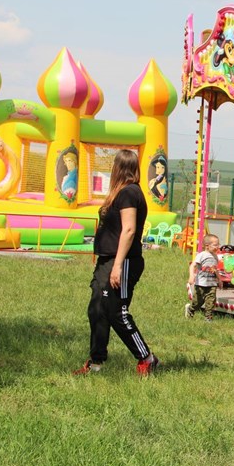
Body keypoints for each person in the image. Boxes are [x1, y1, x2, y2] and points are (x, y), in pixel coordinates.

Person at [74, 149, 158, 376]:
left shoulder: (129, 192)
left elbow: (129, 230)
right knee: (97, 310)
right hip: (107, 260)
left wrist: (118, 265)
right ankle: (96, 363)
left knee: (116, 312)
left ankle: (147, 358)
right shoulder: (120, 193)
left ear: (118, 168)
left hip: (124, 261)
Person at [186, 233, 221, 322]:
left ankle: (208, 318)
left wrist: (219, 280)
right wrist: (191, 276)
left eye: (218, 244)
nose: (217, 247)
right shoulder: (202, 255)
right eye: (215, 245)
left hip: (212, 284)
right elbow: (193, 265)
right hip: (201, 283)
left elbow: (215, 269)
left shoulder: (215, 256)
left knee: (211, 301)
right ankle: (191, 309)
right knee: (197, 302)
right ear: (207, 246)